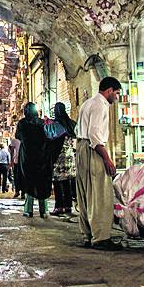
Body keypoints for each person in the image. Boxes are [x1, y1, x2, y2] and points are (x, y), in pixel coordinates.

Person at [76, 77, 123, 251]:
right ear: (109, 90)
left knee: (86, 194)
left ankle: (88, 235)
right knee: (100, 194)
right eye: (116, 93)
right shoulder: (99, 105)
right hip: (93, 149)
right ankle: (101, 238)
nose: (116, 97)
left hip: (82, 148)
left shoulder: (87, 103)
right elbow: (95, 135)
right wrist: (107, 158)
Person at [15, 103, 52, 218]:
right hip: (41, 157)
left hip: (27, 157)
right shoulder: (41, 123)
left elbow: (18, 136)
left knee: (28, 182)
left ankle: (28, 210)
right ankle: (44, 210)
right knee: (42, 183)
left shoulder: (22, 123)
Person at [46, 102, 77, 216]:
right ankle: (68, 206)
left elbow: (49, 138)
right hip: (69, 156)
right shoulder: (71, 123)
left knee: (58, 182)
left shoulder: (55, 125)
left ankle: (59, 207)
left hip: (58, 156)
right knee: (67, 182)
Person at [8, 131, 23, 199]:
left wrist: (11, 161)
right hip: (23, 161)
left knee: (16, 177)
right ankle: (23, 192)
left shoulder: (14, 141)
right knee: (22, 177)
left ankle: (17, 191)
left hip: (16, 161)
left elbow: (11, 151)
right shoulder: (25, 140)